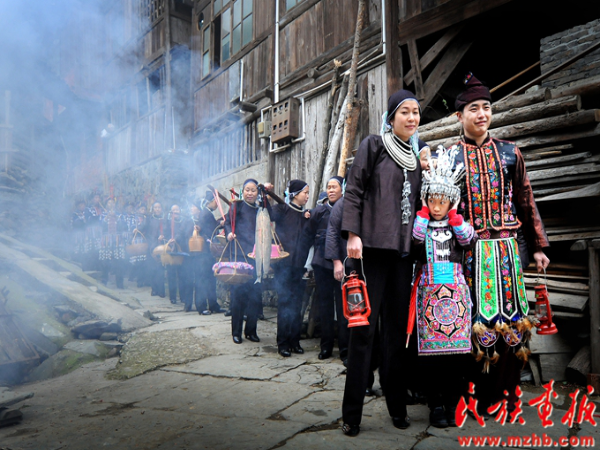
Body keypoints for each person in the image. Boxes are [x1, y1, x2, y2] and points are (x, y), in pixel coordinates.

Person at [453, 74, 550, 414]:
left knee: (511, 322)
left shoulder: (510, 152)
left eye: (486, 107)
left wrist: (537, 246)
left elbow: (526, 199)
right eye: (474, 109)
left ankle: (505, 394)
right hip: (470, 254)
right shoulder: (450, 157)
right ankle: (474, 395)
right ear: (459, 116)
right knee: (473, 321)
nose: (482, 114)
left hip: (507, 251)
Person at [340, 89, 428, 437]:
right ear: (391, 117)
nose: (411, 118)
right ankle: (352, 414)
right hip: (371, 252)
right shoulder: (374, 145)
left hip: (401, 257)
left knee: (396, 335)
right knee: (363, 331)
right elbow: (354, 190)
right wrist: (352, 234)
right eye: (405, 112)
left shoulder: (416, 160)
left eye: (416, 112)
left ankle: (397, 406)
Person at [411, 145, 478, 428]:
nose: (437, 207)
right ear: (426, 201)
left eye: (442, 202)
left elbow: (469, 242)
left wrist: (457, 220)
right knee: (431, 356)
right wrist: (422, 217)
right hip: (429, 297)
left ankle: (453, 403)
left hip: (456, 297)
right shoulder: (422, 226)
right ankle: (435, 404)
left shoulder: (457, 226)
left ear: (451, 202)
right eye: (432, 201)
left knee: (457, 356)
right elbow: (414, 244)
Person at [264, 180, 312, 358]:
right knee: (285, 304)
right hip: (283, 266)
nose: (307, 196)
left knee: (297, 304)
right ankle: (283, 343)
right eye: (305, 192)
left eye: (308, 193)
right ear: (295, 194)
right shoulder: (282, 209)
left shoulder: (306, 215)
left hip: (299, 267)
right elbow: (267, 214)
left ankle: (294, 341)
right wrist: (266, 195)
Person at [304, 176, 348, 363]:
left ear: (342, 189)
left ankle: (345, 349)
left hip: (342, 264)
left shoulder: (348, 208)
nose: (331, 190)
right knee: (325, 306)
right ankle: (326, 346)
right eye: (328, 187)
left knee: (344, 307)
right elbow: (308, 233)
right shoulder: (318, 211)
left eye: (334, 187)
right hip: (322, 264)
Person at [224, 179, 263, 344]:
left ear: (257, 193)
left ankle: (251, 331)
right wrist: (229, 233)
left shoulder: (261, 209)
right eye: (247, 190)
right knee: (238, 296)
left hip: (256, 256)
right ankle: (236, 332)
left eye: (253, 190)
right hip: (239, 255)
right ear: (243, 191)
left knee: (255, 296)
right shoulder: (237, 206)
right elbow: (227, 223)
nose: (250, 193)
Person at [190, 192, 225, 315]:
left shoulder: (207, 213)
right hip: (203, 252)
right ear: (212, 201)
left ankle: (213, 304)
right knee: (202, 279)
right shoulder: (206, 213)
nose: (217, 205)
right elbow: (211, 230)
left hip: (207, 253)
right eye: (217, 202)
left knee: (210, 279)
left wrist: (219, 223)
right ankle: (201, 306)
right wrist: (220, 224)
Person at [165, 205, 193, 309]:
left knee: (182, 275)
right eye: (173, 210)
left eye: (177, 210)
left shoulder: (184, 221)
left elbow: (184, 234)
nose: (175, 212)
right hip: (171, 250)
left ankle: (183, 296)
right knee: (171, 274)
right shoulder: (168, 222)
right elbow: (165, 234)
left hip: (182, 250)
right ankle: (172, 297)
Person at [99, 198, 127, 288]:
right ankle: (104, 281)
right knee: (105, 261)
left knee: (119, 262)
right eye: (109, 203)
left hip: (117, 240)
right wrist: (107, 217)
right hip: (106, 240)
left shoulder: (119, 215)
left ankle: (120, 283)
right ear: (106, 205)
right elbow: (100, 226)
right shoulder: (103, 215)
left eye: (113, 203)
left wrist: (116, 218)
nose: (111, 204)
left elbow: (123, 226)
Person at [147, 202, 166, 298]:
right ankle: (154, 289)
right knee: (152, 269)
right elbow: (144, 229)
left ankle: (161, 290)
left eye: (159, 207)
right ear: (153, 209)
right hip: (152, 246)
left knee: (160, 269)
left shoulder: (165, 219)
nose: (157, 209)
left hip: (162, 246)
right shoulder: (149, 219)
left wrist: (163, 236)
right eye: (155, 207)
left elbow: (168, 231)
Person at [70, 199, 87, 267]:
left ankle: (83, 258)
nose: (82, 206)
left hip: (84, 232)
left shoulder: (86, 213)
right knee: (77, 245)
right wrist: (81, 219)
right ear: (77, 206)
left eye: (83, 205)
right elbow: (73, 223)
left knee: (83, 246)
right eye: (81, 205)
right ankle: (75, 258)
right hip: (77, 232)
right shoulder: (75, 214)